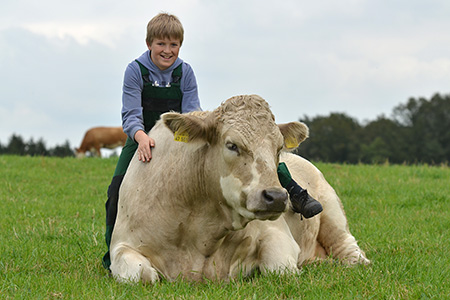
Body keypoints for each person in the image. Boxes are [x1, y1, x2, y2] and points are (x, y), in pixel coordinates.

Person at [102, 12, 322, 270]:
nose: (167, 50)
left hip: (177, 138)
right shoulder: (134, 71)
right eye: (161, 44)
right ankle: (111, 254)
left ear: (180, 46)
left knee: (266, 155)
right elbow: (130, 113)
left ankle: (296, 192)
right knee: (116, 190)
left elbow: (192, 110)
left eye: (173, 45)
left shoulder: (185, 72)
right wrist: (140, 137)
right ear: (149, 43)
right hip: (141, 138)